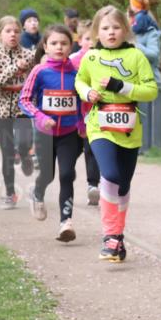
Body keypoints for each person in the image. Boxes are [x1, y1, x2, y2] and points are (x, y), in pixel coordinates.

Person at [76, 5, 158, 262]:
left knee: (122, 184)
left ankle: (117, 239)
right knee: (109, 175)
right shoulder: (90, 57)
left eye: (116, 27)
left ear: (125, 29)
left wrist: (123, 87)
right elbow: (80, 81)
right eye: (105, 28)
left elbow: (151, 90)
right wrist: (86, 92)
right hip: (99, 125)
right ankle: (109, 235)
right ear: (96, 32)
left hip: (129, 128)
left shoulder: (136, 57)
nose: (111, 32)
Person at [19, 25, 84, 242]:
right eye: (54, 43)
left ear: (70, 46)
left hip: (69, 133)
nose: (59, 47)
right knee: (48, 175)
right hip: (44, 133)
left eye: (64, 43)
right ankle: (37, 193)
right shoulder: (40, 71)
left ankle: (66, 223)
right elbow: (24, 100)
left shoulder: (77, 72)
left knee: (67, 174)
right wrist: (40, 117)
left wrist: (82, 125)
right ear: (45, 47)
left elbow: (83, 102)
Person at [0, 15, 36, 208]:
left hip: (22, 108)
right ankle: (10, 194)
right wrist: (15, 68)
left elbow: (34, 81)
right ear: (0, 35)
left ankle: (24, 155)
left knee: (24, 143)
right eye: (8, 31)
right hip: (0, 110)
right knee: (7, 153)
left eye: (16, 31)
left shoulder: (29, 56)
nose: (13, 35)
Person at [70, 19, 101, 206]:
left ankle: (93, 185)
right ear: (80, 40)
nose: (90, 42)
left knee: (92, 149)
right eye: (87, 38)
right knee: (73, 151)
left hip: (94, 112)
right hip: (74, 114)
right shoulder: (73, 60)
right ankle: (66, 178)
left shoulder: (102, 58)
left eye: (93, 38)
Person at [128, 0, 161, 83]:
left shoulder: (150, 33)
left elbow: (154, 56)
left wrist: (135, 45)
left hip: (150, 81)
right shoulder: (124, 35)